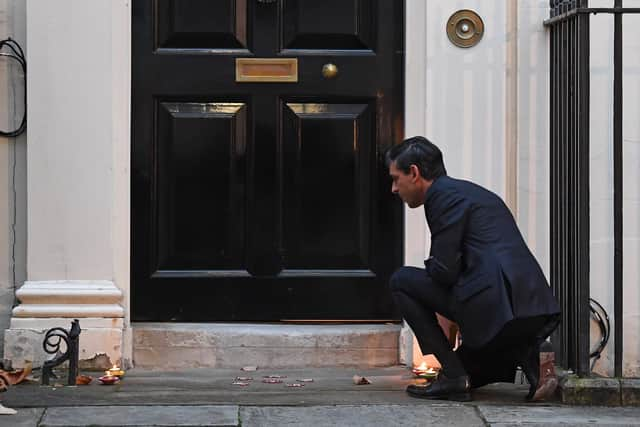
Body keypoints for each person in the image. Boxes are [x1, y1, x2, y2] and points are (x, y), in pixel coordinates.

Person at [386, 136, 560, 402]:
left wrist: (442, 308)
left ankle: (455, 376)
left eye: (396, 178)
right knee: (472, 372)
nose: (394, 189)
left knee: (401, 280)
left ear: (415, 173)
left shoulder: (441, 198)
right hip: (528, 309)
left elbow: (444, 272)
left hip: (498, 307)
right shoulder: (470, 192)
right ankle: (528, 352)